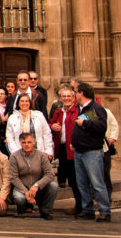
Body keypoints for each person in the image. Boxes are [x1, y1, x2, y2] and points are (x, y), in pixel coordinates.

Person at [72, 82, 110, 222]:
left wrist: (85, 123)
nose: (75, 95)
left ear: (82, 93)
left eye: (76, 92)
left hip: (92, 152)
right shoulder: (80, 108)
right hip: (79, 151)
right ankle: (87, 210)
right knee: (82, 183)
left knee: (96, 183)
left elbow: (101, 127)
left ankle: (104, 211)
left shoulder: (95, 108)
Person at [9, 132, 58, 220]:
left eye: (29, 142)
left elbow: (50, 174)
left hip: (38, 189)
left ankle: (45, 211)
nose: (26, 145)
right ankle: (22, 210)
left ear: (33, 143)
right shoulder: (14, 156)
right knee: (19, 198)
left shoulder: (42, 155)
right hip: (22, 187)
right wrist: (26, 192)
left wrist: (37, 185)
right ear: (20, 143)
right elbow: (13, 177)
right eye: (24, 142)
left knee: (53, 185)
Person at [49, 86, 81, 215]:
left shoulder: (79, 111)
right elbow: (50, 123)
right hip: (62, 149)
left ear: (73, 98)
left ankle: (82, 206)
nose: (66, 98)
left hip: (75, 149)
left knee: (77, 179)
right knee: (71, 179)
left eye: (69, 96)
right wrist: (52, 126)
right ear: (60, 98)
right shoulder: (58, 111)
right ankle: (79, 206)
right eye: (64, 96)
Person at [5, 94, 53, 158]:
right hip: (20, 154)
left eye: (26, 101)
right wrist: (15, 153)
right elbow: (10, 137)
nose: (24, 103)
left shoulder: (39, 115)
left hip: (38, 152)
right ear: (18, 103)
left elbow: (47, 133)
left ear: (30, 103)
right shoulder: (12, 118)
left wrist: (48, 151)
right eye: (22, 101)